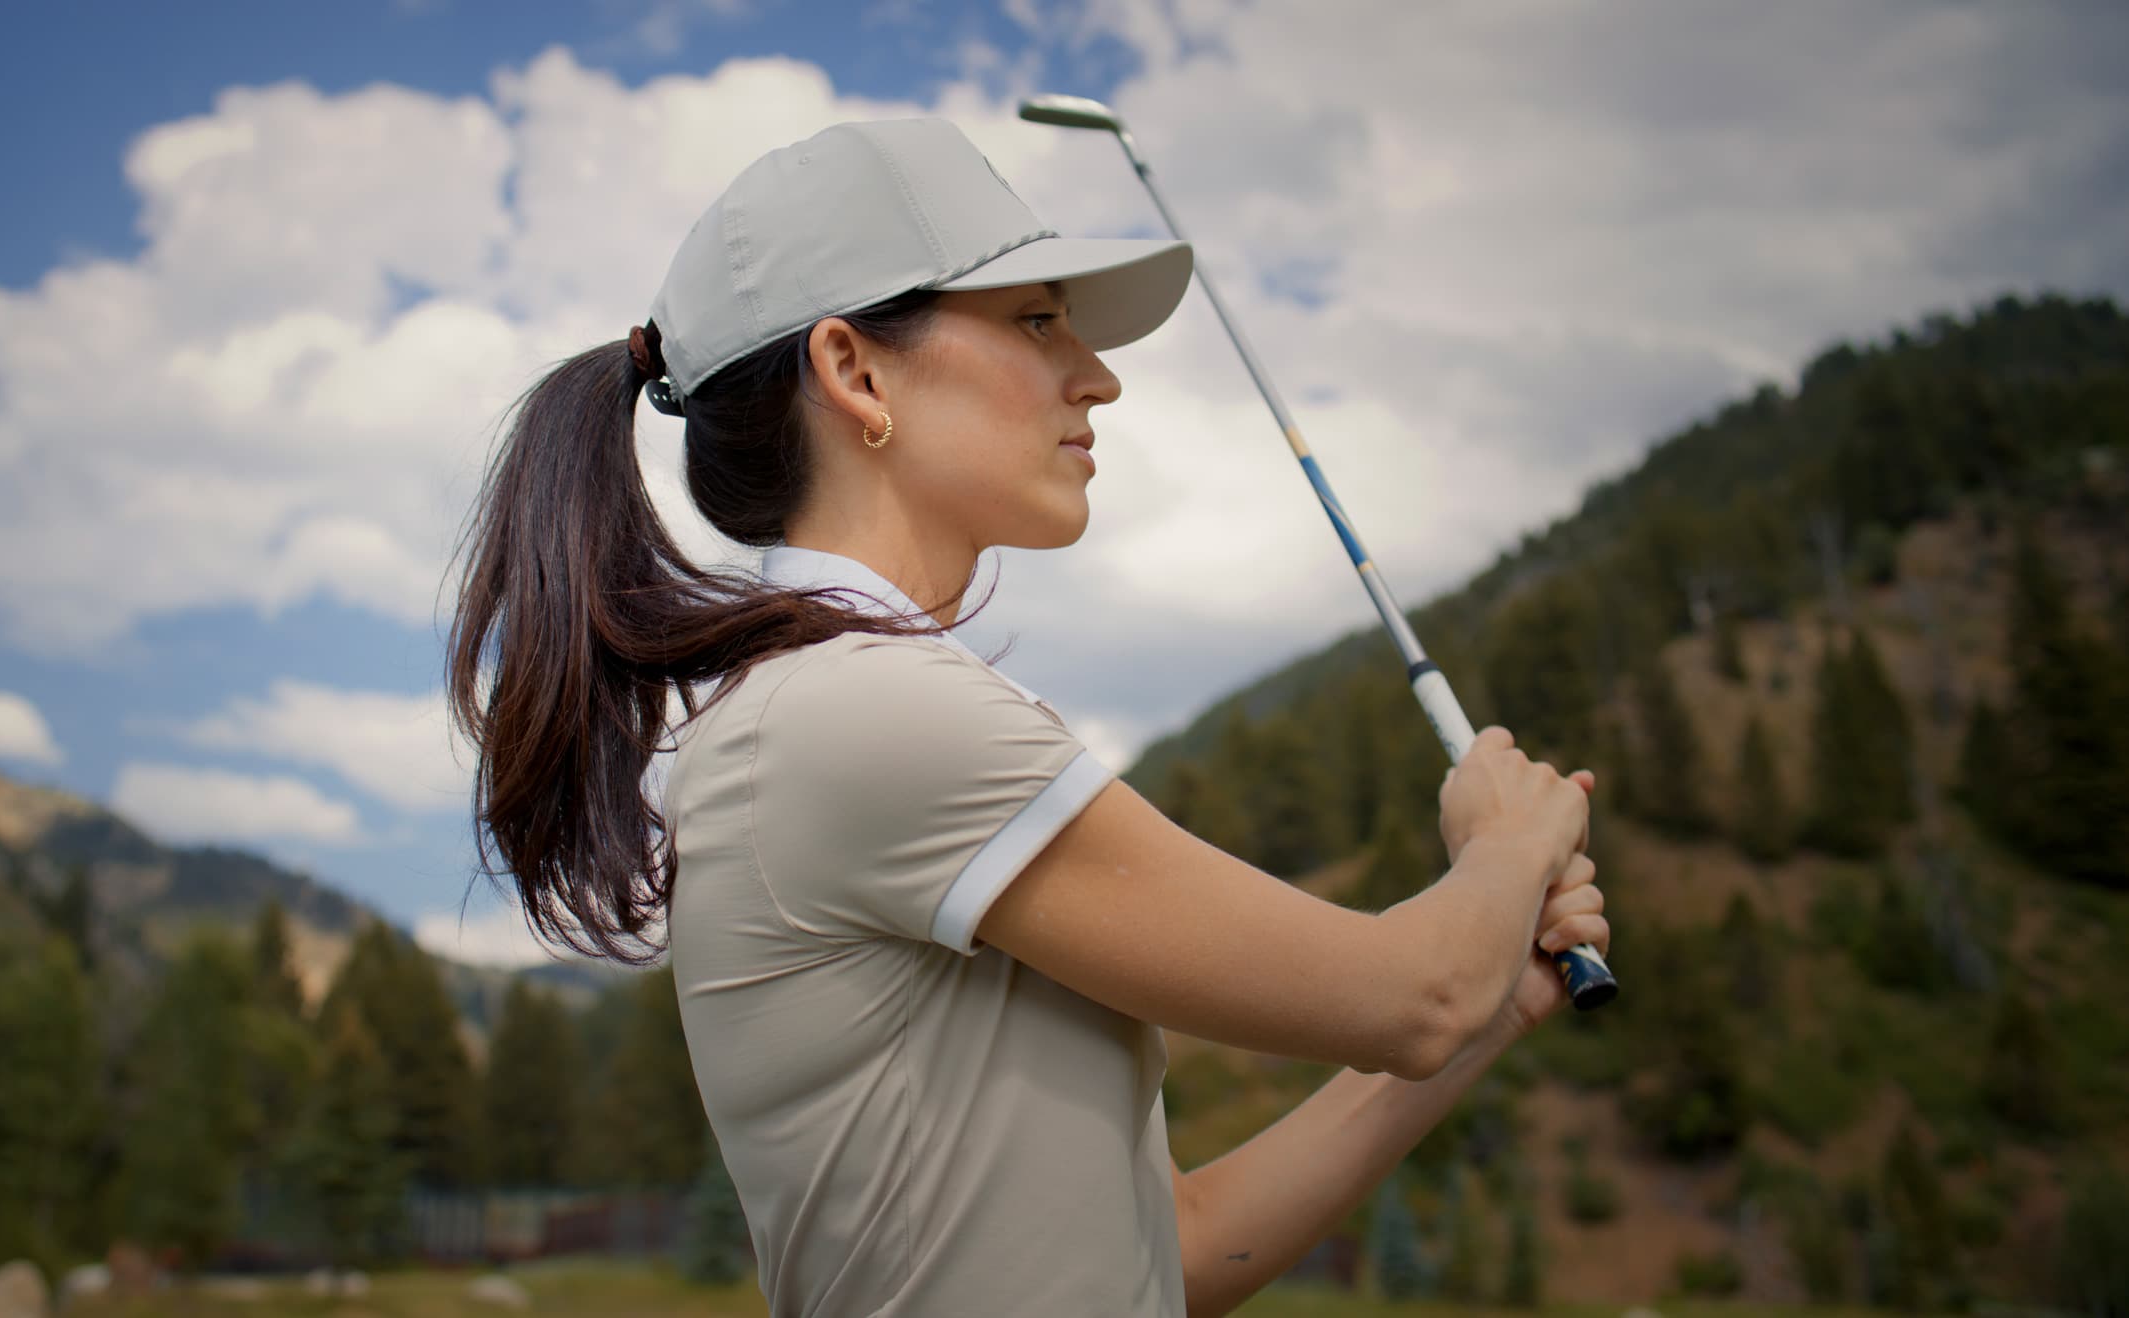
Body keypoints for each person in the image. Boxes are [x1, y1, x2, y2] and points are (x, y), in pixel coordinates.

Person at [446, 116, 1608, 1318]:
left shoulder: (836, 705)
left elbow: (1175, 1250)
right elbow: (1413, 995)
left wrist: (1491, 1002)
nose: (1097, 375)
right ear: (855, 371)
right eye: (1037, 321)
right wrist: (1506, 841)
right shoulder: (861, 710)